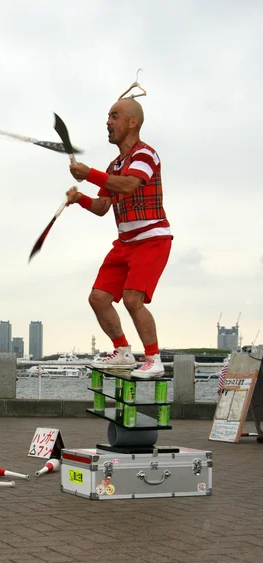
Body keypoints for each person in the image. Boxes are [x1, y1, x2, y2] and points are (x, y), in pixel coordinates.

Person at [66, 98, 172, 379]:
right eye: (108, 117)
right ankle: (123, 352)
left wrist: (88, 174)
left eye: (114, 116)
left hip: (152, 239)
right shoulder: (114, 166)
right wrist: (80, 199)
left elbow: (129, 185)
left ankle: (153, 358)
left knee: (131, 299)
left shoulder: (145, 155)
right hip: (125, 243)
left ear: (132, 122)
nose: (108, 122)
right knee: (99, 298)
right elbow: (102, 207)